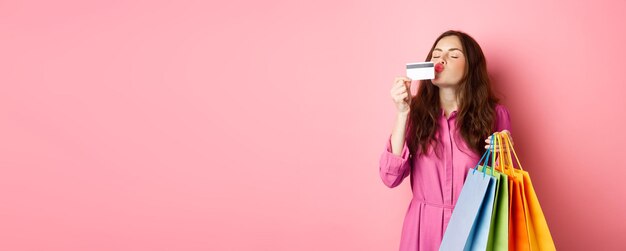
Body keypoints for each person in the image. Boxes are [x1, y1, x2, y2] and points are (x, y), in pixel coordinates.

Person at [379, 30, 514, 251]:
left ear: (471, 66)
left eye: (453, 55)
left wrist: (503, 155)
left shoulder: (495, 115)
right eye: (436, 54)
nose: (441, 59)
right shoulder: (414, 114)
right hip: (423, 231)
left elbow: (505, 191)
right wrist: (402, 113)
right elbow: (389, 177)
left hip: (474, 229)